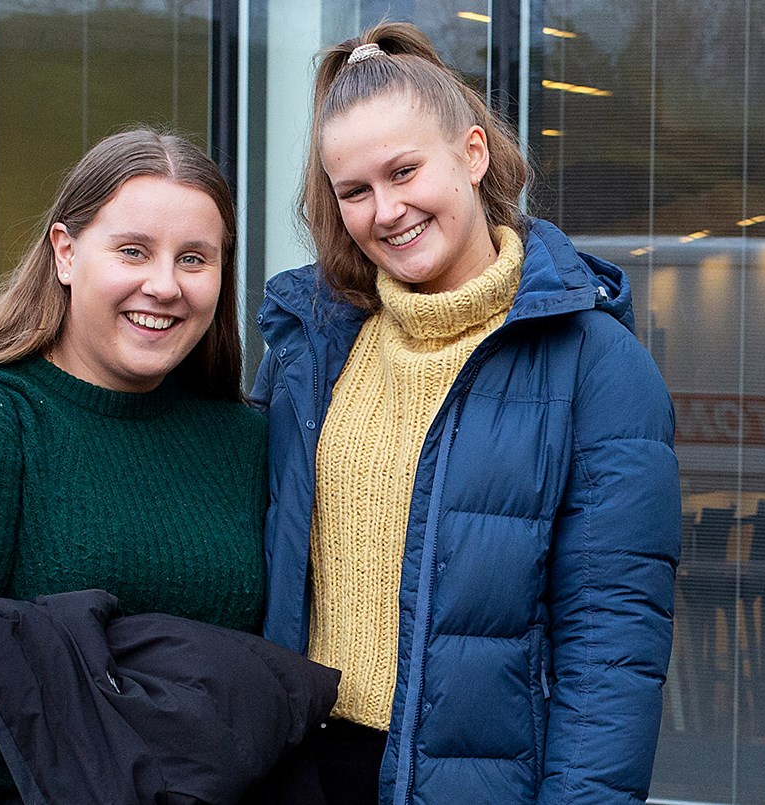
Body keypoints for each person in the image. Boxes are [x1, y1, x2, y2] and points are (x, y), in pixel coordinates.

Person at [253, 23, 681, 805]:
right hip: (304, 776)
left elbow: (611, 652)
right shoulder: (307, 351)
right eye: (355, 190)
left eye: (405, 170)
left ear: (474, 154)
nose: (387, 209)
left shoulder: (597, 365)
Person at [0, 128, 265, 795]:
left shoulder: (241, 438)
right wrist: (106, 783)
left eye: (194, 258)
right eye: (133, 250)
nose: (164, 285)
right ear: (66, 253)